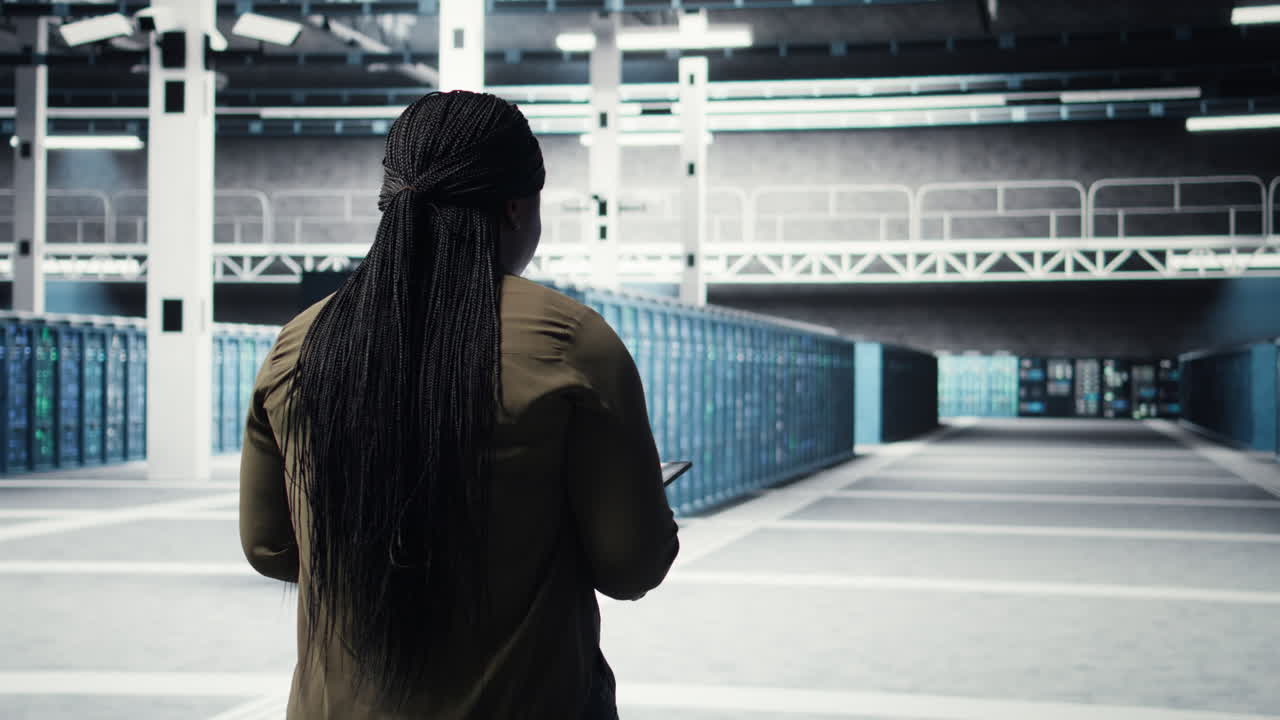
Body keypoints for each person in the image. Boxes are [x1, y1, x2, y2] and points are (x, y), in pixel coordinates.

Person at [239, 90, 679, 719]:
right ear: (514, 208)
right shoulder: (573, 341)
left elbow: (272, 549)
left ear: (391, 203)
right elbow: (630, 565)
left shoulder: (302, 340)